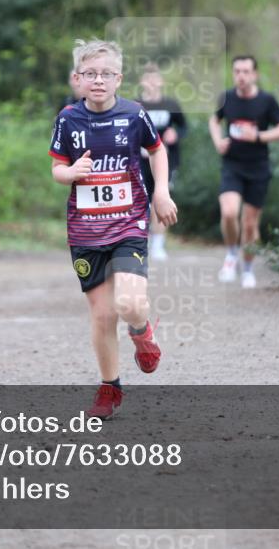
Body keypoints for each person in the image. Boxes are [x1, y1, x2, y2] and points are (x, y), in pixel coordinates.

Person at [49, 39, 178, 419]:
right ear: (78, 78)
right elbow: (57, 168)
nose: (99, 80)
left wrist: (162, 193)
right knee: (103, 315)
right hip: (86, 231)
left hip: (129, 223)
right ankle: (110, 387)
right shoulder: (67, 119)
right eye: (90, 74)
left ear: (119, 78)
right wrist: (70, 173)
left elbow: (157, 151)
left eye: (106, 74)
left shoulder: (134, 114)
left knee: (130, 304)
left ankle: (142, 335)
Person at [208, 55, 279, 289]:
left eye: (245, 71)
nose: (241, 76)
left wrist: (258, 136)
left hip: (258, 168)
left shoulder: (266, 100)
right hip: (232, 166)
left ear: (255, 74)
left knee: (250, 225)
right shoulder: (227, 98)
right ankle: (231, 254)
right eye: (237, 71)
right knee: (229, 212)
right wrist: (218, 141)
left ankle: (248, 268)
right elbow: (214, 121)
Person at [138, 63, 187, 261]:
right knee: (140, 202)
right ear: (142, 82)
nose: (151, 83)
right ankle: (142, 241)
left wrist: (176, 133)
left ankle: (158, 245)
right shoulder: (134, 105)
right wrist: (138, 147)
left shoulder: (171, 105)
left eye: (155, 79)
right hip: (139, 161)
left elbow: (184, 128)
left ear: (161, 82)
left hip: (165, 161)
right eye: (147, 79)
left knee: (161, 198)